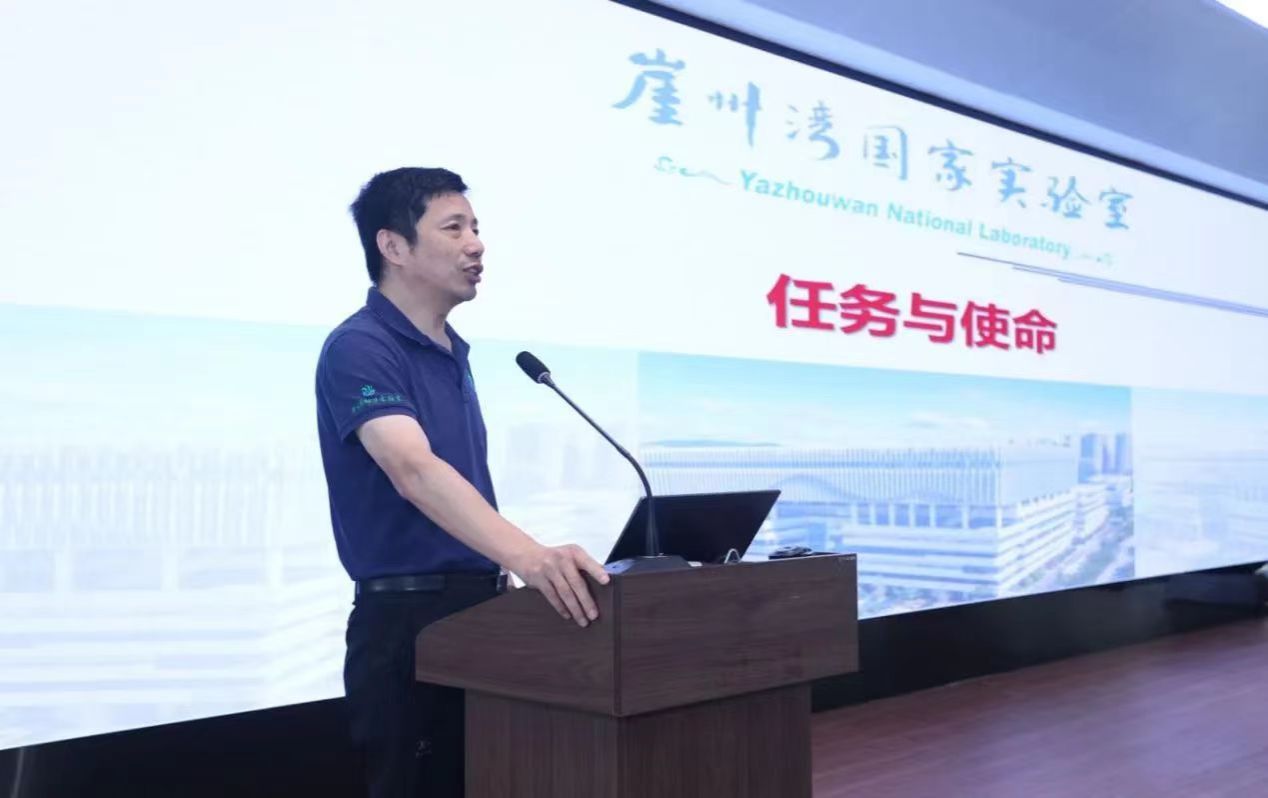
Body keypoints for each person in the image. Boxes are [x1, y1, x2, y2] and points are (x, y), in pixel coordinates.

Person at [314, 166, 609, 797]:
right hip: (407, 625)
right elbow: (413, 469)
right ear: (393, 246)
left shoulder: (453, 350)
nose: (476, 244)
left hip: (478, 612)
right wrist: (530, 556)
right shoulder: (360, 347)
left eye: (476, 227)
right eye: (454, 228)